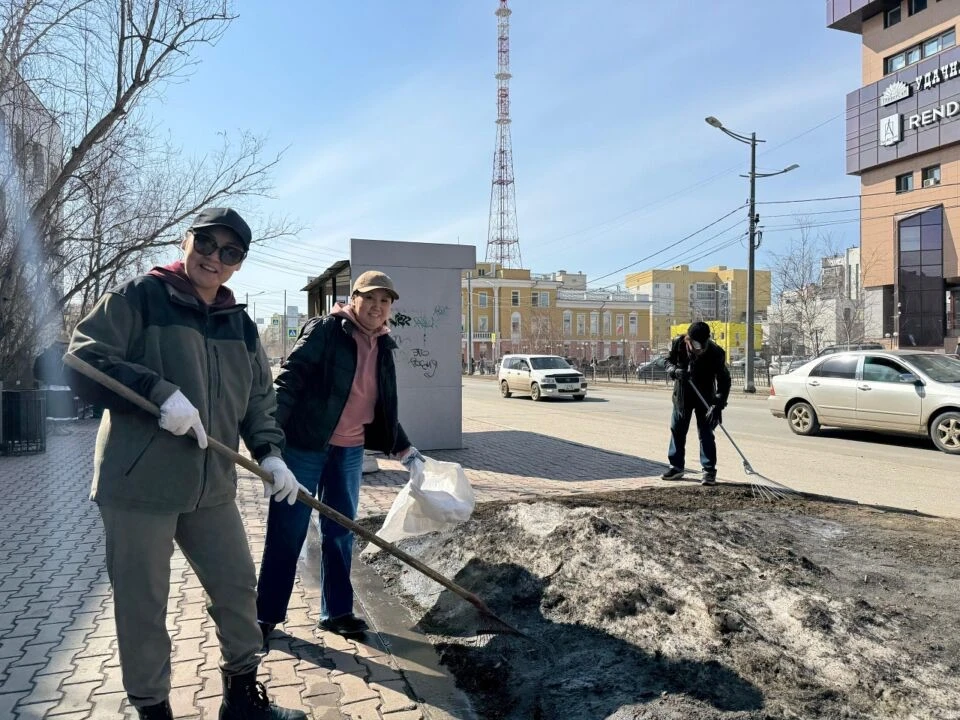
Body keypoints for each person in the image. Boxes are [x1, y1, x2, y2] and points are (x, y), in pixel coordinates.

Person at [66, 208, 308, 720]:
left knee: (238, 589)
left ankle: (241, 701)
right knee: (143, 605)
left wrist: (270, 453)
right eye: (206, 243)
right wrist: (157, 394)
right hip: (139, 487)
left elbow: (258, 400)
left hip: (211, 487)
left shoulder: (239, 323)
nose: (214, 258)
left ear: (239, 263)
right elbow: (83, 358)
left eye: (230, 252)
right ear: (185, 241)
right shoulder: (139, 296)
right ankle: (153, 709)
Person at [257, 270, 421, 640]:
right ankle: (265, 614)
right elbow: (289, 381)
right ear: (354, 299)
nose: (377, 307)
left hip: (349, 451)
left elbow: (383, 406)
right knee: (288, 529)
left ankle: (337, 613)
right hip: (304, 446)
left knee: (340, 531)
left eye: (384, 301)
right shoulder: (327, 330)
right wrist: (269, 444)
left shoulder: (384, 346)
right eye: (370, 298)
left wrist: (405, 448)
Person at [660, 321, 731, 486]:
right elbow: (667, 362)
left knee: (706, 434)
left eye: (702, 346)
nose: (699, 350)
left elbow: (724, 380)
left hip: (705, 398)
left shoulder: (716, 352)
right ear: (688, 339)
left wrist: (718, 404)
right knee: (677, 430)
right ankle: (676, 467)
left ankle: (709, 471)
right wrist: (675, 371)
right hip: (682, 396)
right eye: (695, 345)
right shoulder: (678, 344)